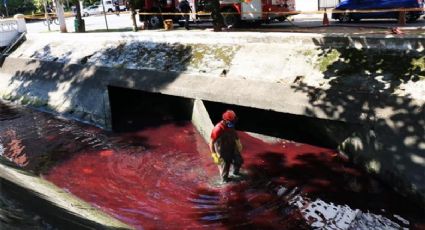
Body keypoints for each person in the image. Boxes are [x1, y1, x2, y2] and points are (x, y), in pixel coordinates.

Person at [210, 110, 244, 183]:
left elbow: (234, 132)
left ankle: (235, 174)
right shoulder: (218, 129)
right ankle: (224, 182)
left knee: (239, 161)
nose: (233, 123)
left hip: (232, 146)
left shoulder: (231, 124)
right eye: (232, 121)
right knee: (225, 171)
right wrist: (214, 154)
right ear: (225, 120)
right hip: (222, 150)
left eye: (234, 121)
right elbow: (211, 142)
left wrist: (238, 142)